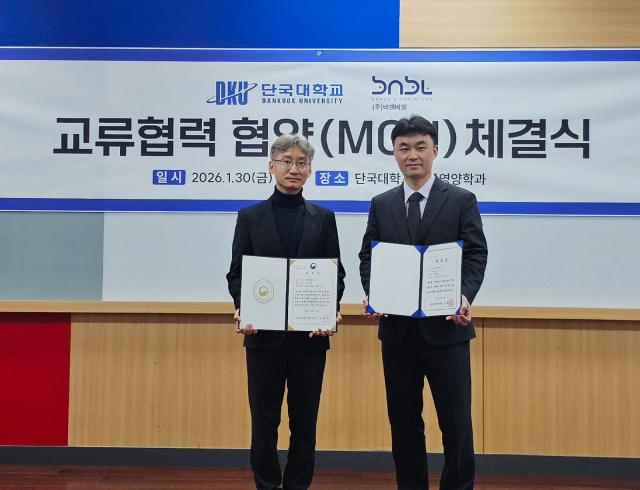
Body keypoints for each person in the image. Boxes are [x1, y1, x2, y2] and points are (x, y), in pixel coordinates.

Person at [359, 115, 488, 490]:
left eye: (420, 147)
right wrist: (374, 291)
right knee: (403, 423)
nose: (412, 155)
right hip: (397, 333)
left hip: (447, 329)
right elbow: (369, 256)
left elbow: (475, 254)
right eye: (404, 148)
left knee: (456, 424)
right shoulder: (381, 203)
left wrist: (465, 295)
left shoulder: (460, 200)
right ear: (394, 153)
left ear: (435, 150)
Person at [227, 133, 345, 490]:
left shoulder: (324, 218)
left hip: (310, 338)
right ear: (271, 166)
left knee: (305, 423)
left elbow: (335, 273)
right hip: (262, 337)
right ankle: (266, 484)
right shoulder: (250, 217)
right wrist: (244, 307)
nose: (293, 168)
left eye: (301, 163)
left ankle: (297, 485)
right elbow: (237, 274)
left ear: (309, 170)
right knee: (264, 423)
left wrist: (330, 312)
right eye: (286, 161)